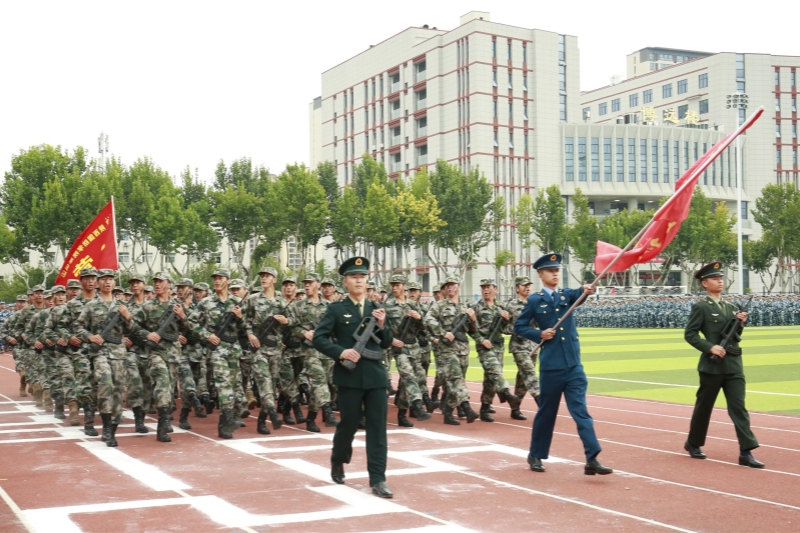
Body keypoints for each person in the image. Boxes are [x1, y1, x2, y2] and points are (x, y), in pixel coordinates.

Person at [513, 253, 612, 475]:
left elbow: (580, 294)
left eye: (557, 270)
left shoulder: (567, 295)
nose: (555, 274)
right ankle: (536, 454)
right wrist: (539, 334)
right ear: (541, 275)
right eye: (550, 271)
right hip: (552, 367)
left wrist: (587, 289)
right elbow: (519, 327)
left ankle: (592, 458)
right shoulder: (535, 300)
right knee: (547, 413)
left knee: (581, 412)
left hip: (574, 365)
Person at [313, 256, 394, 498]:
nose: (359, 281)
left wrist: (383, 324)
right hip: (349, 377)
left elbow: (387, 342)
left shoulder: (376, 309)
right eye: (353, 277)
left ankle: (378, 479)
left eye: (362, 277)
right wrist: (341, 352)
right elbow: (319, 338)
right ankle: (338, 459)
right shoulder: (336, 309)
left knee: (377, 429)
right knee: (348, 425)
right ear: (345, 281)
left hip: (376, 376)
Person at [683, 262, 763, 468]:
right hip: (712, 367)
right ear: (704, 283)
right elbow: (690, 334)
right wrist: (710, 347)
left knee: (739, 408)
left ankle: (746, 452)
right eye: (715, 279)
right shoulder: (701, 307)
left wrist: (740, 324)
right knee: (704, 408)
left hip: (733, 365)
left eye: (721, 278)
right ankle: (693, 443)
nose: (720, 281)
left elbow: (734, 335)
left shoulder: (731, 307)